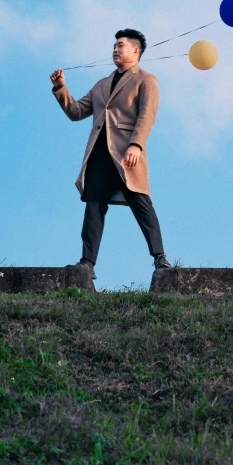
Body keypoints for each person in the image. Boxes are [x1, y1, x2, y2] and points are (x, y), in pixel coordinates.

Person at [50, 29, 172, 280]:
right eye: (114, 46)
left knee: (142, 205)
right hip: (99, 156)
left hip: (127, 155)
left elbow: (146, 115)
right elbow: (75, 112)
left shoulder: (146, 79)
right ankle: (87, 263)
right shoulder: (101, 85)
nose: (115, 49)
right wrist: (61, 88)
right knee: (93, 207)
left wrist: (136, 145)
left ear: (136, 51)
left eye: (121, 45)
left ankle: (161, 260)